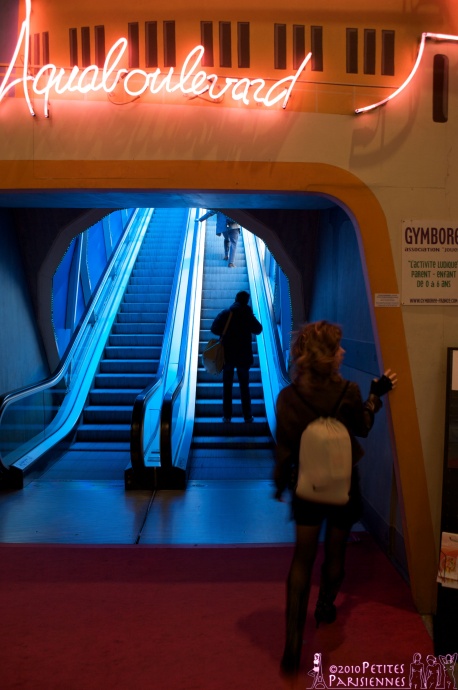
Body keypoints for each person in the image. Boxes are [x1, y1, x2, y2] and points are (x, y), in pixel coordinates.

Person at [273, 320, 397, 676]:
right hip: (343, 483)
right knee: (336, 553)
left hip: (307, 486)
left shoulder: (288, 397)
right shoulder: (348, 391)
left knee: (302, 560)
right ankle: (325, 606)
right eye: (338, 346)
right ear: (327, 355)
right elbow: (363, 427)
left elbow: (285, 447)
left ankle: (292, 643)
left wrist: (281, 484)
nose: (343, 351)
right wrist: (376, 396)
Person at [211, 290, 262, 422]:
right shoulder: (247, 315)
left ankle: (227, 416)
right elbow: (258, 329)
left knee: (227, 386)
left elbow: (214, 328)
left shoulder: (226, 313)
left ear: (235, 299)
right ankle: (247, 416)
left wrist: (225, 333)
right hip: (243, 357)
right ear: (246, 301)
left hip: (227, 356)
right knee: (244, 387)